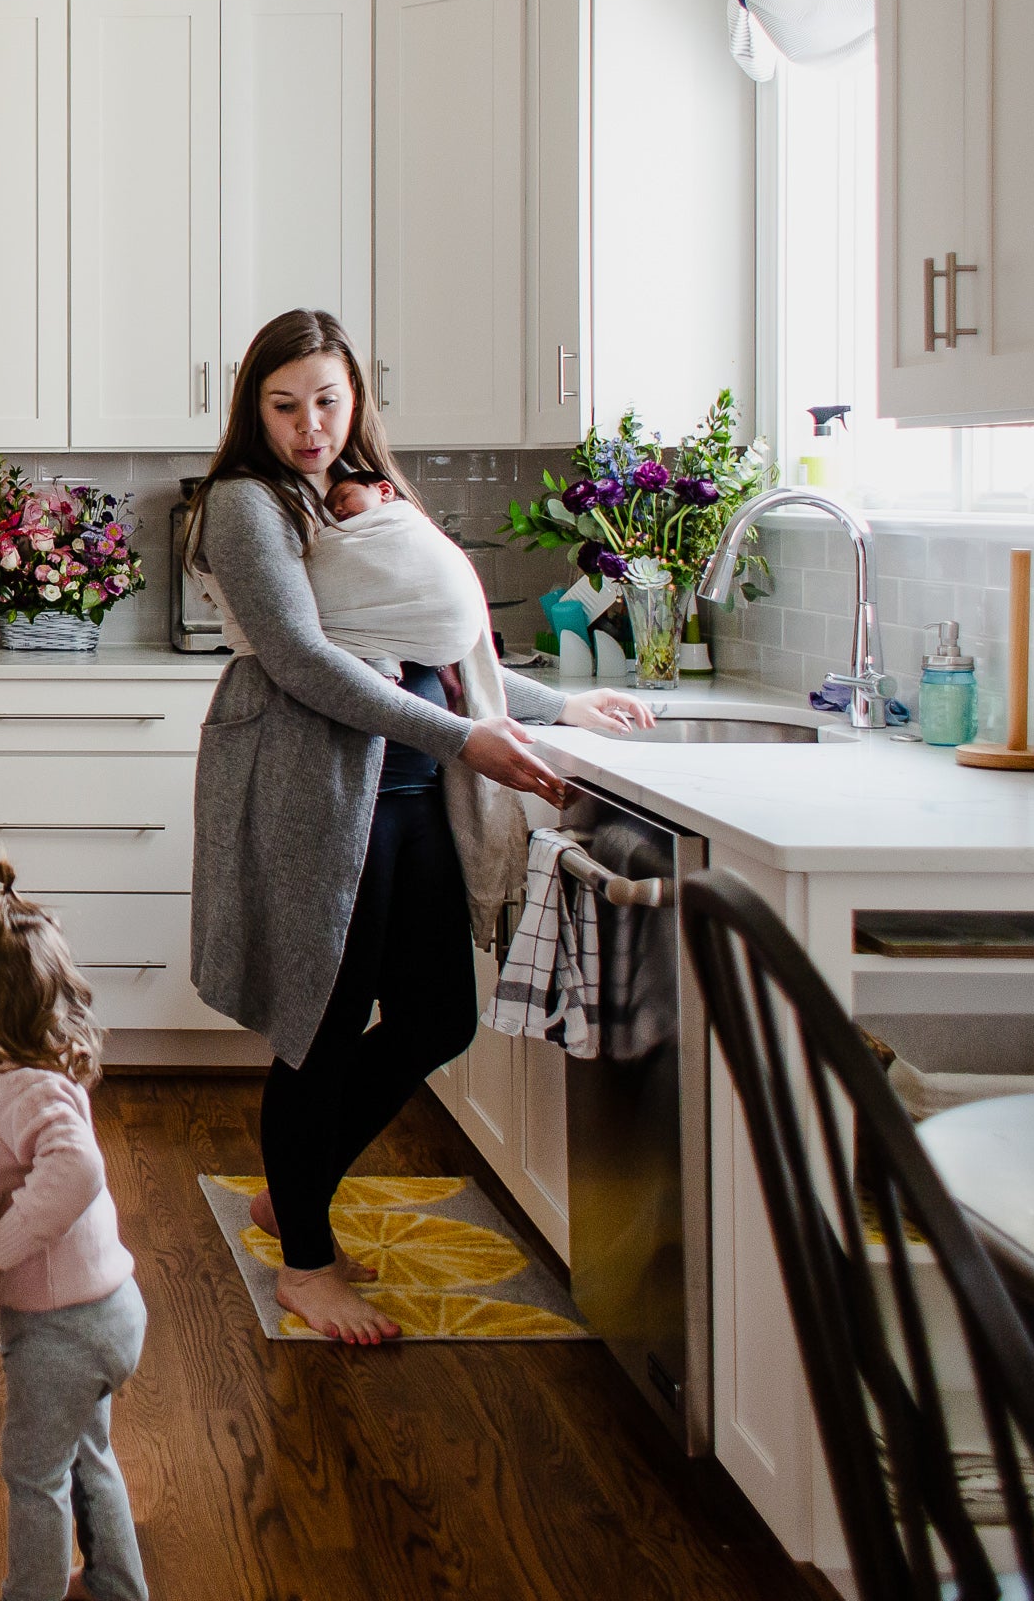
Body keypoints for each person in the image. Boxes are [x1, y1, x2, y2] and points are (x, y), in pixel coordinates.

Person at [183, 307, 655, 1344]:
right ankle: (304, 1260)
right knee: (320, 1022)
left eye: (325, 399)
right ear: (250, 407)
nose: (308, 423)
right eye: (283, 403)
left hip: (409, 797)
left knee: (439, 1014)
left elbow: (441, 645)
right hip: (315, 794)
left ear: (354, 397)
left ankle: (290, 1186)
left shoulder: (356, 492)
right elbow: (306, 659)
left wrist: (549, 707)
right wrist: (466, 740)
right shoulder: (243, 501)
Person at [0, 861, 148, 1601]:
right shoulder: (12, 1074)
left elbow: (75, 1173)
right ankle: (117, 1586)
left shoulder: (29, 1087)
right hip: (100, 1313)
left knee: (34, 1476)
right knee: (86, 1456)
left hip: (64, 1332)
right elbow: (1, 1153)